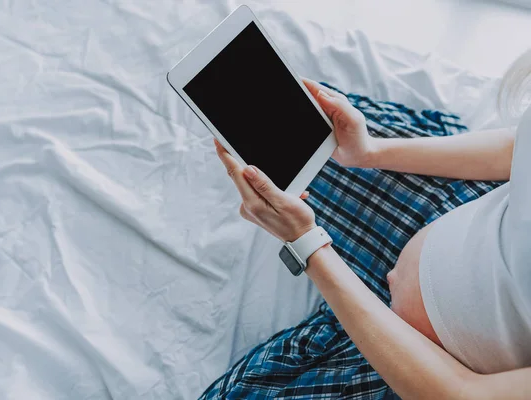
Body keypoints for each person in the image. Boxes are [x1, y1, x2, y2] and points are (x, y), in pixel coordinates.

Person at [200, 49, 531, 399]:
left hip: (425, 366)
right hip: (458, 216)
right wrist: (370, 152)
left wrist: (307, 244)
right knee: (291, 118)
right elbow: (517, 149)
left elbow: (461, 393)